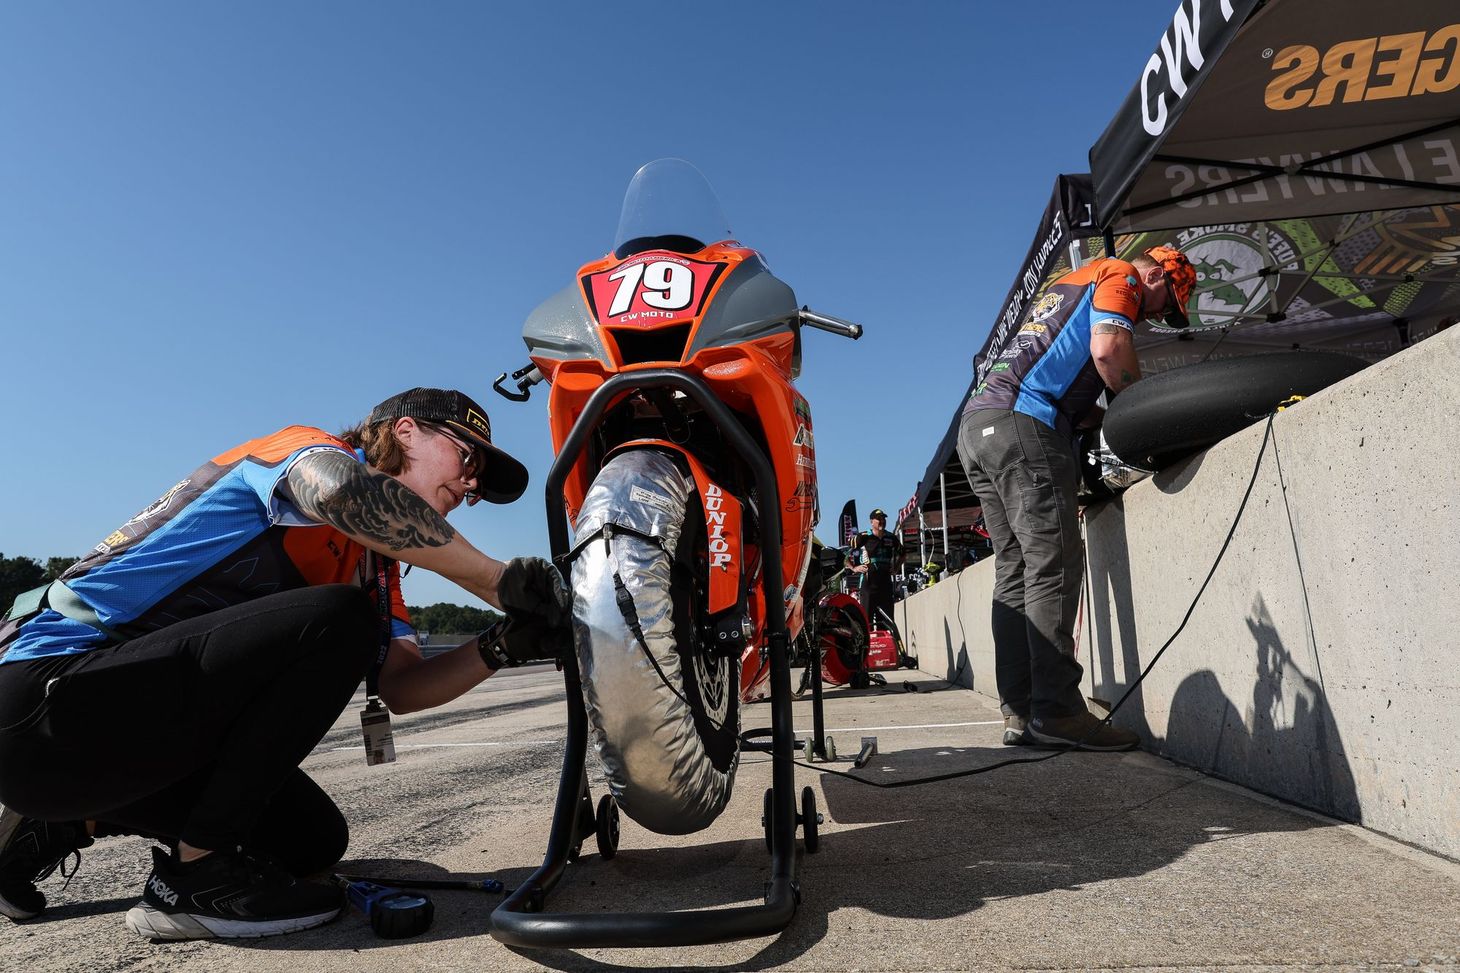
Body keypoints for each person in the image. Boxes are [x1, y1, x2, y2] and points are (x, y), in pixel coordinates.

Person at [0, 387, 570, 941]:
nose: (470, 486)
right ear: (404, 431)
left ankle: (63, 821)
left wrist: (502, 645)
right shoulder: (310, 453)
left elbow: (402, 688)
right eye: (467, 458)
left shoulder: (374, 570)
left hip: (100, 740)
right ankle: (196, 879)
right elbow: (342, 495)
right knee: (338, 620)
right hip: (44, 692)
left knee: (309, 843)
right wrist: (497, 582)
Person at [956, 246, 1195, 751]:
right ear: (1154, 273)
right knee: (1053, 565)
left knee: (1015, 573)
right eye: (1164, 303)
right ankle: (1059, 712)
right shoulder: (1122, 275)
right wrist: (1144, 411)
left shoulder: (1069, 283)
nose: (1154, 319)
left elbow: (1067, 378)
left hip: (979, 426)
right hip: (1024, 423)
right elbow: (1109, 351)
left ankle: (1020, 712)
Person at [850, 508, 904, 641]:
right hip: (868, 585)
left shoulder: (891, 537)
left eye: (883, 519)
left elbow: (903, 553)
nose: (882, 521)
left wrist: (896, 567)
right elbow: (846, 555)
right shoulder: (864, 537)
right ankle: (866, 653)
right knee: (866, 621)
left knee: (886, 620)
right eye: (878, 519)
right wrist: (854, 568)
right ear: (871, 521)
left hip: (885, 584)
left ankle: (885, 651)